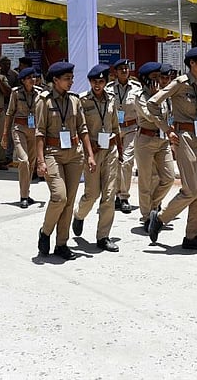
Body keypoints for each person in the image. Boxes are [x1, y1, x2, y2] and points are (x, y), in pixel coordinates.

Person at [145, 47, 197, 251]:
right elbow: (152, 104)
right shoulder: (179, 83)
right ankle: (160, 218)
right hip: (185, 138)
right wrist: (167, 129)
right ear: (192, 64)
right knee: (190, 189)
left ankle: (193, 236)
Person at [36, 61, 94, 261]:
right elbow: (40, 133)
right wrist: (41, 161)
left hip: (74, 154)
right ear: (55, 80)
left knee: (69, 202)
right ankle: (45, 231)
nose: (71, 82)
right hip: (53, 152)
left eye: (71, 78)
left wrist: (90, 155)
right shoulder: (44, 101)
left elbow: (83, 129)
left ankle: (62, 243)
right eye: (67, 78)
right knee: (59, 197)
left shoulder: (75, 101)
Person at [71, 64, 121, 252]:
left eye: (101, 81)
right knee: (92, 194)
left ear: (106, 82)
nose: (97, 85)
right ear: (90, 82)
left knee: (109, 194)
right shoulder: (82, 100)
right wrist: (85, 147)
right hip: (91, 151)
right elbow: (77, 126)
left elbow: (115, 125)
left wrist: (120, 148)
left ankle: (103, 236)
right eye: (94, 81)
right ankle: (79, 214)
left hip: (110, 150)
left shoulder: (111, 99)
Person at [134, 62, 175, 227]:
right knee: (145, 181)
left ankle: (152, 206)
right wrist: (154, 97)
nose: (158, 80)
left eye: (159, 77)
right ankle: (146, 217)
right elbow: (151, 117)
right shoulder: (140, 96)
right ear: (145, 79)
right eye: (154, 77)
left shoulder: (164, 94)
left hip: (162, 140)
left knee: (169, 178)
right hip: (145, 139)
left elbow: (169, 116)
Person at [1, 66, 41, 208]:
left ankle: (26, 192)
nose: (33, 80)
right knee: (23, 161)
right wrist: (5, 134)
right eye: (29, 78)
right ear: (23, 80)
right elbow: (9, 113)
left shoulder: (40, 94)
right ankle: (23, 196)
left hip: (35, 131)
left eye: (34, 77)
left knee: (31, 163)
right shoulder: (16, 93)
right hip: (19, 129)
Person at [107, 58, 141, 213]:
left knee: (127, 162)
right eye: (121, 69)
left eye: (126, 68)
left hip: (131, 127)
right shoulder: (108, 88)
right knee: (114, 162)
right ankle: (115, 195)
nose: (124, 71)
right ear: (116, 72)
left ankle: (124, 197)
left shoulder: (136, 87)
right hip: (114, 129)